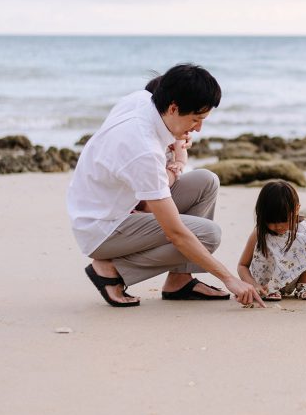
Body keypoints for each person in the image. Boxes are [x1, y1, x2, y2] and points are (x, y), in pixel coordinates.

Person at [67, 63, 264, 308]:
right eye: (196, 119)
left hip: (113, 206)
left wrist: (173, 142)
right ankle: (111, 270)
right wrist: (229, 279)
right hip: (102, 227)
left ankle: (180, 280)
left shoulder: (142, 100)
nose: (199, 128)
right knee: (208, 235)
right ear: (173, 108)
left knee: (206, 181)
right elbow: (176, 233)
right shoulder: (144, 151)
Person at [237, 180, 306, 302]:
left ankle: (303, 285)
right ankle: (271, 289)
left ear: (296, 209)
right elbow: (242, 266)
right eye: (272, 221)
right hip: (266, 284)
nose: (278, 226)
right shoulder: (260, 233)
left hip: (295, 277)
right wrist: (254, 285)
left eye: (284, 220)